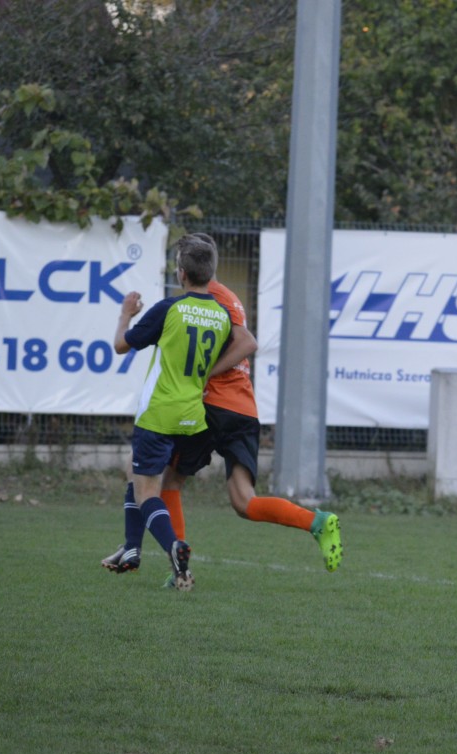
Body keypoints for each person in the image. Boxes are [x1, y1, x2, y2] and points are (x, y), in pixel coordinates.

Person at [156, 233, 342, 577]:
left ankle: (179, 572)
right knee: (244, 502)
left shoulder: (209, 298)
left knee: (170, 482)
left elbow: (247, 342)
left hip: (211, 407)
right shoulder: (226, 295)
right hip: (242, 408)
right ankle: (317, 522)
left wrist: (204, 374)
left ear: (184, 270)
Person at [100, 234, 253, 589]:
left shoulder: (169, 308)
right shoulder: (221, 315)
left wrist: (126, 315)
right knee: (135, 470)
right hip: (193, 418)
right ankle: (131, 548)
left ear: (181, 273)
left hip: (159, 414)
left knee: (147, 494)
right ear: (210, 273)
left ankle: (174, 547)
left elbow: (121, 345)